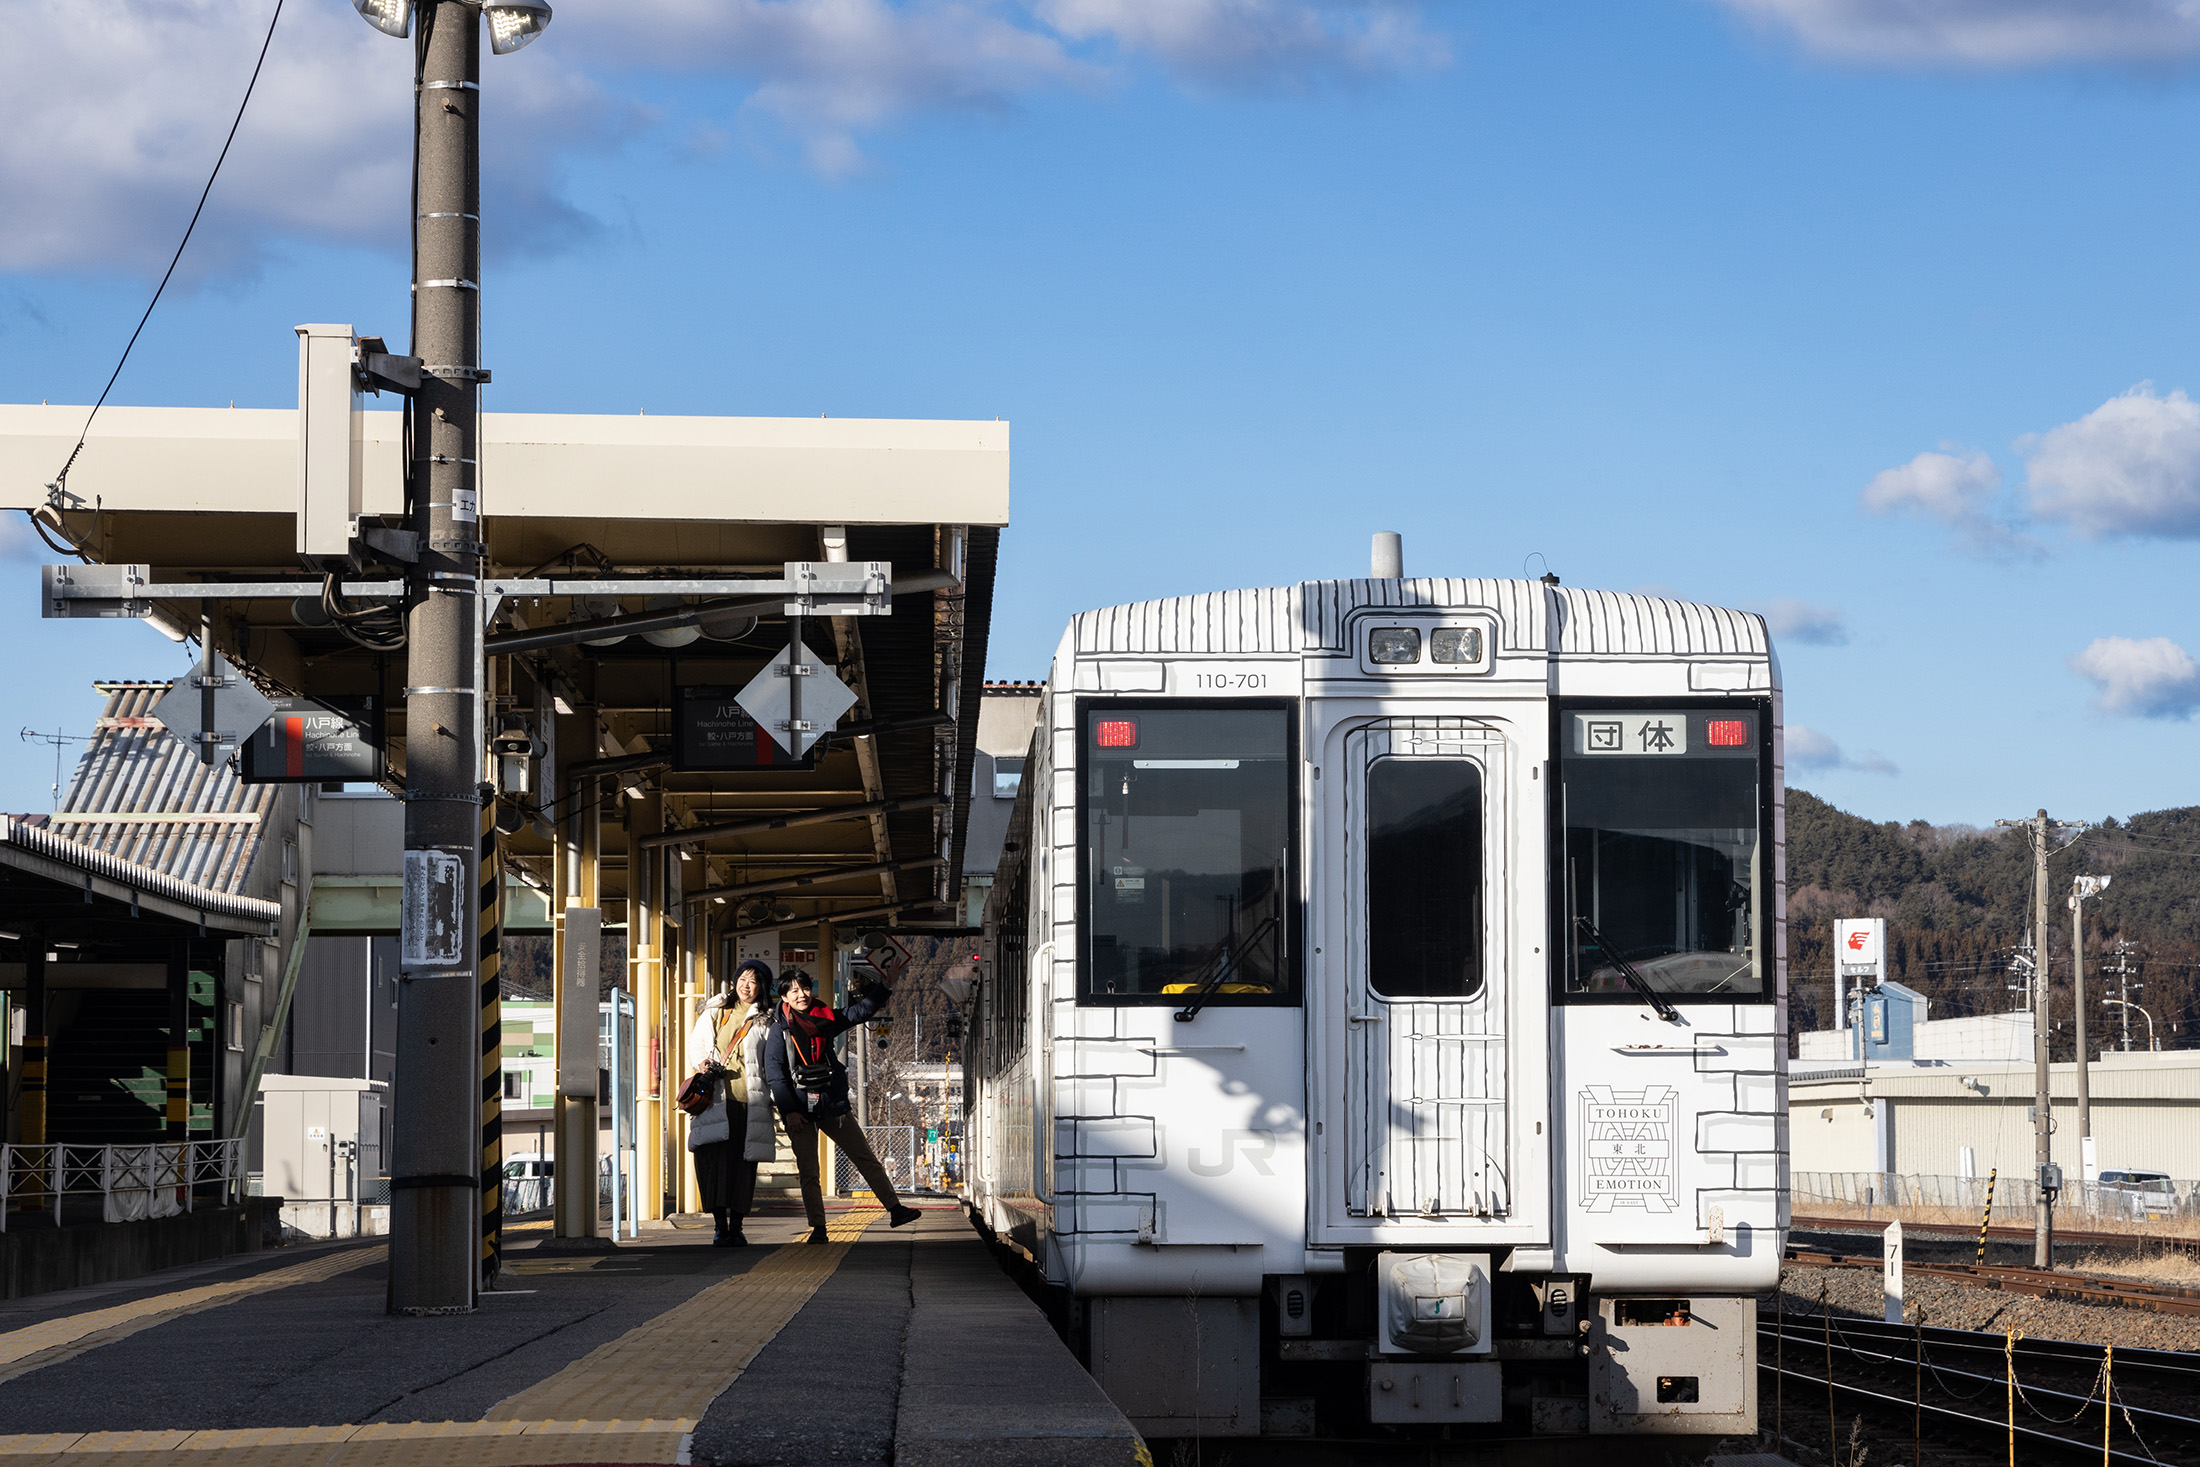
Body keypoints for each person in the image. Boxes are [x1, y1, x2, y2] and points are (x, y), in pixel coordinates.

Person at [765, 968, 922, 1242]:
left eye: (804, 988)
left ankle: (896, 1210)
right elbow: (776, 1075)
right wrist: (789, 1110)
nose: (801, 995)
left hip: (831, 1102)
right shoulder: (778, 1031)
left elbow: (860, 1012)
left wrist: (885, 985)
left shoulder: (826, 1017)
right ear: (784, 997)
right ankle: (818, 1228)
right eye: (793, 991)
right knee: (809, 1171)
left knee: (865, 1157)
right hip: (799, 1109)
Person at [685, 960, 777, 1246]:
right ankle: (719, 1225)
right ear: (734, 981)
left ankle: (736, 1226)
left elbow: (771, 1062)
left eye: (754, 981)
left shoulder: (767, 1020)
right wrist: (702, 1063)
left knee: (742, 1166)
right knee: (711, 1162)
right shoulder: (716, 1011)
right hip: (715, 1100)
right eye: (742, 979)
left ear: (762, 987)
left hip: (748, 1102)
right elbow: (697, 1044)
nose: (746, 985)